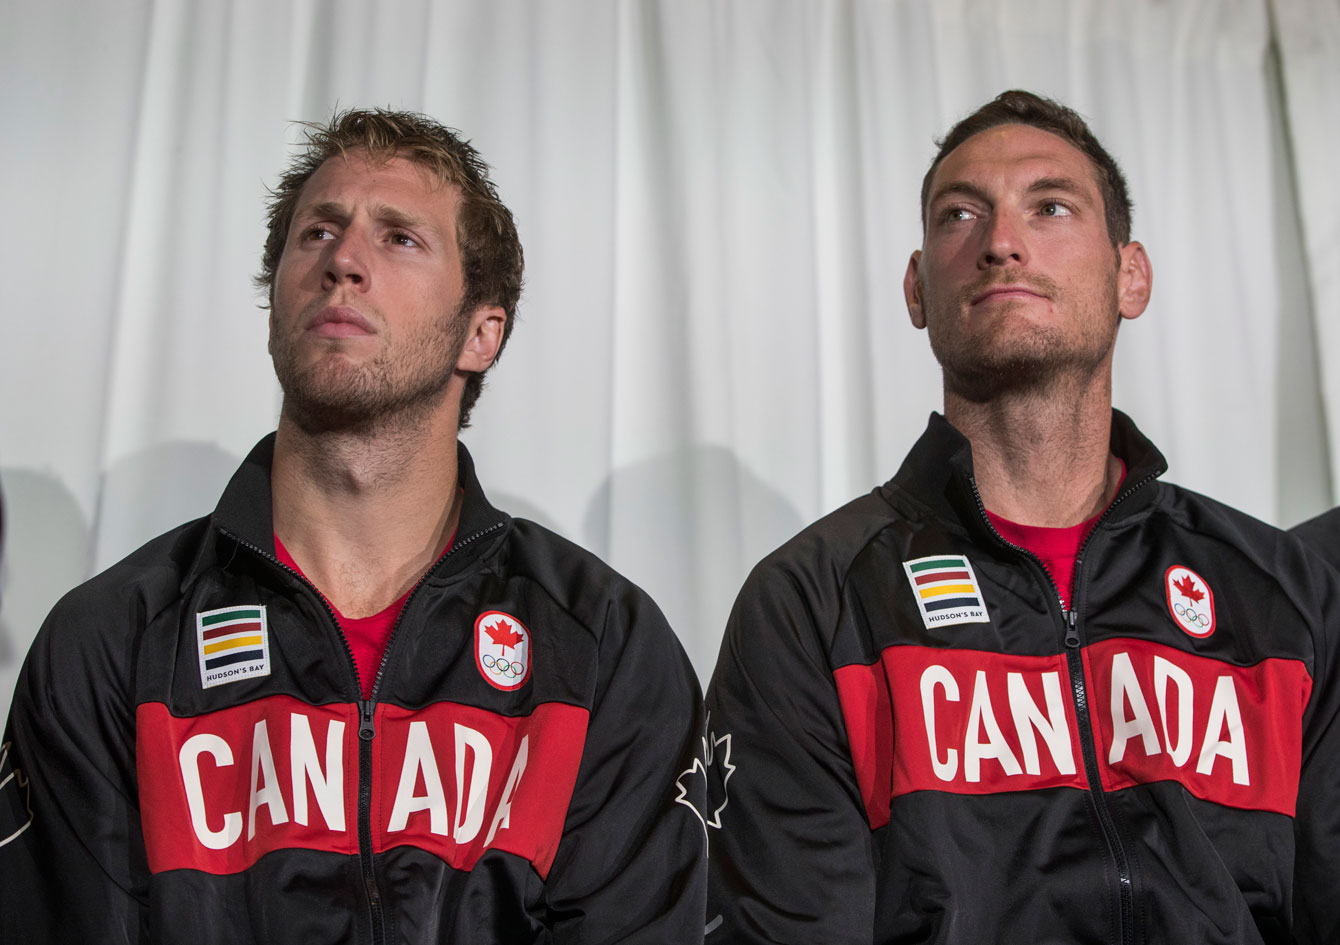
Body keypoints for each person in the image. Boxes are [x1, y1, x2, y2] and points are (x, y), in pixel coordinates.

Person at [0, 108, 706, 944]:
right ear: (273, 309)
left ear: (481, 333)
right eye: (318, 233)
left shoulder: (602, 646)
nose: (342, 261)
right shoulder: (111, 639)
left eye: (399, 238)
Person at [703, 90, 1340, 943]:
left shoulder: (1285, 596)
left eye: (1051, 207)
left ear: (1131, 274)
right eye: (960, 214)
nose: (1001, 241)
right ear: (917, 288)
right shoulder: (810, 605)